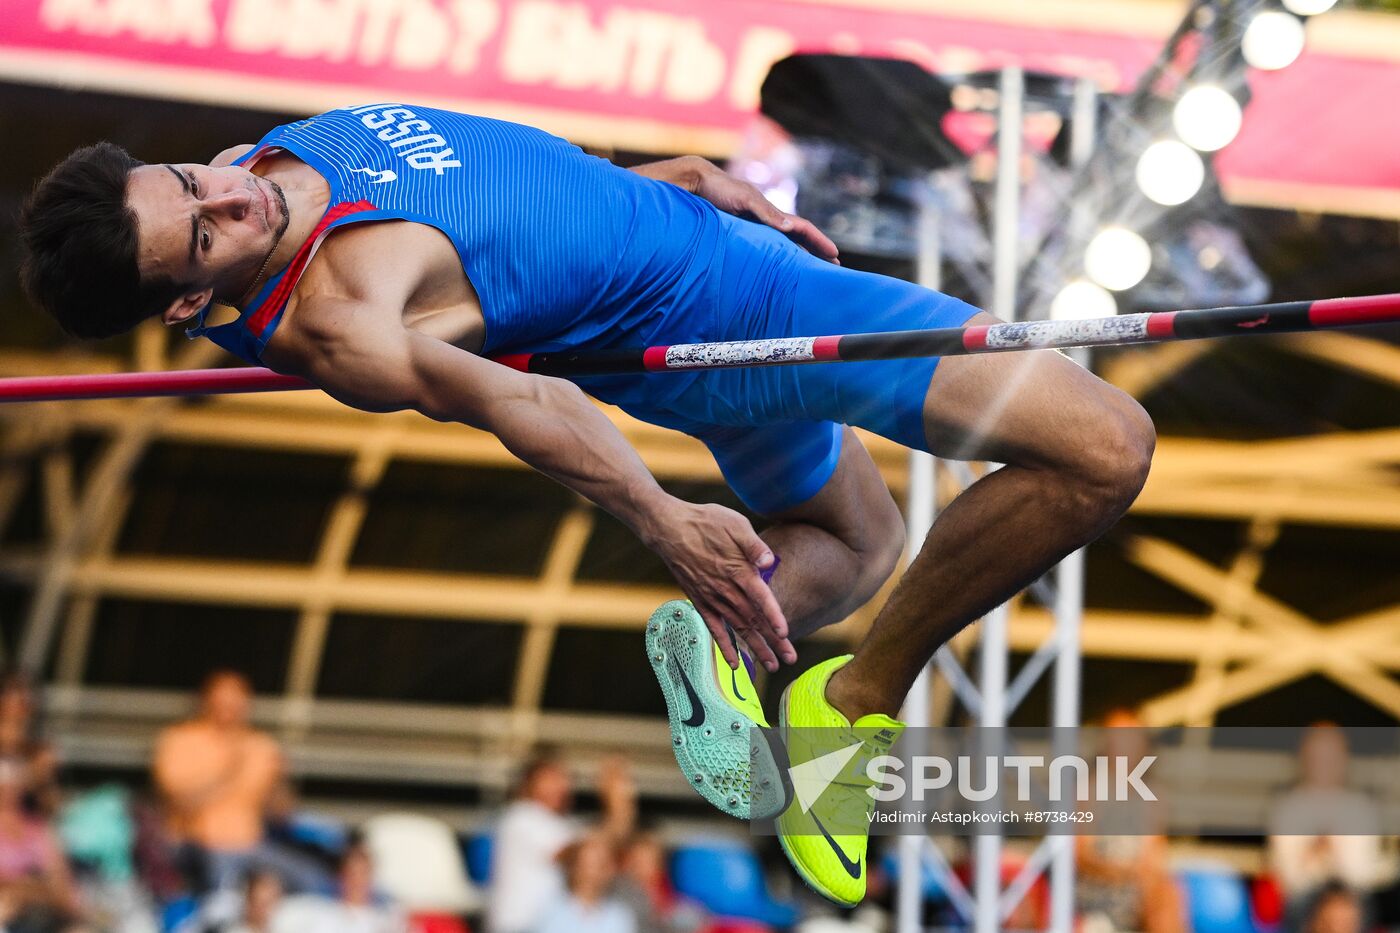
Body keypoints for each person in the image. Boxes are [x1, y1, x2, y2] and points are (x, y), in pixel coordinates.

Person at [19, 104, 1154, 907]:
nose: (229, 195)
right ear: (190, 305)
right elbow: (522, 400)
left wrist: (672, 179)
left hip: (690, 261)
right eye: (206, 235)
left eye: (188, 183)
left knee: (860, 542)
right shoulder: (340, 318)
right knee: (1104, 449)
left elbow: (509, 187)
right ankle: (857, 698)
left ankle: (727, 649)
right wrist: (664, 520)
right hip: (748, 312)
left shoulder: (253, 161)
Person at [151, 671, 327, 894]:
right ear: (206, 702)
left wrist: (279, 782)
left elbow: (283, 815)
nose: (228, 711)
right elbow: (178, 804)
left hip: (251, 846)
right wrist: (228, 774)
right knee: (222, 876)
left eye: (235, 704)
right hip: (196, 846)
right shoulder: (180, 740)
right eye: (221, 703)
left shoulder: (261, 746)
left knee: (313, 880)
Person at [488, 751, 635, 933]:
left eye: (564, 778)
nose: (561, 785)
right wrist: (617, 804)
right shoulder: (521, 817)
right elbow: (584, 851)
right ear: (528, 784)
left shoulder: (558, 825)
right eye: (551, 778)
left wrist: (620, 806)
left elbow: (600, 845)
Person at [1268, 724, 1381, 933]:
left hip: (1351, 900)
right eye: (1318, 756)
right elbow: (1287, 877)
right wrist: (1312, 852)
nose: (1323, 763)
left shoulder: (1360, 807)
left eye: (1330, 756)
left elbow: (1363, 874)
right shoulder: (1289, 808)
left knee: (1344, 909)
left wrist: (1335, 850)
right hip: (1304, 901)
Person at [0, 757, 88, 933]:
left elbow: (61, 886)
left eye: (13, 785)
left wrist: (28, 889)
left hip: (42, 910)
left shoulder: (40, 829)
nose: (9, 792)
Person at [535, 833, 635, 933]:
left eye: (604, 863)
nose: (602, 870)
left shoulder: (619, 917)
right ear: (574, 867)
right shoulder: (545, 910)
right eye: (594, 863)